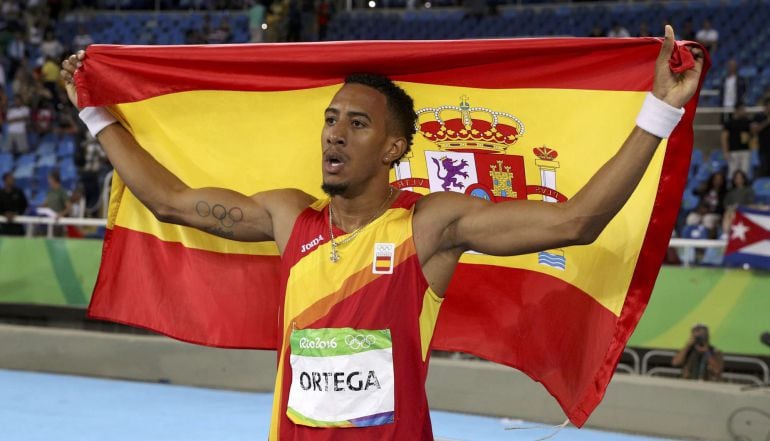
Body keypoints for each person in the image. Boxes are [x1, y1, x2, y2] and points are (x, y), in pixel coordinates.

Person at [61, 26, 703, 440]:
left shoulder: (431, 226)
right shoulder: (289, 218)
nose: (335, 132)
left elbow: (576, 222)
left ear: (394, 146)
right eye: (330, 119)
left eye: (357, 124)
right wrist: (94, 109)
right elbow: (169, 201)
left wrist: (659, 112)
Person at [722, 102, 754, 178]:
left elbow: (752, 134)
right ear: (737, 110)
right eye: (742, 109)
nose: (744, 111)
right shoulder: (729, 122)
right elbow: (724, 138)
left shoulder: (747, 121)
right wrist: (725, 151)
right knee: (733, 172)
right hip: (733, 151)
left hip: (745, 150)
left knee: (744, 172)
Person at [0, 172, 28, 236]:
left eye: (12, 178)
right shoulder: (1, 193)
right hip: (4, 227)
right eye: (10, 178)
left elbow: (24, 205)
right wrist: (4, 214)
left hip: (18, 227)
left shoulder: (19, 192)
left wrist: (16, 213)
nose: (13, 179)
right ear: (5, 180)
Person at [751, 97, 770, 177]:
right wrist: (767, 122)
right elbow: (754, 130)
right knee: (764, 170)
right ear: (765, 106)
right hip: (763, 149)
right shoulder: (758, 116)